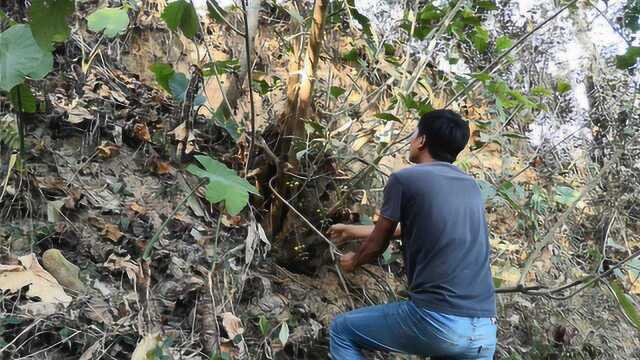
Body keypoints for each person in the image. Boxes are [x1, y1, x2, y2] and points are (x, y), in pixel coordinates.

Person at [328, 109, 497, 359]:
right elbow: (426, 227)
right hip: (484, 330)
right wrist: (355, 230)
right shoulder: (471, 186)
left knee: (341, 330)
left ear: (422, 140)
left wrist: (353, 261)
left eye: (414, 133)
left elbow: (378, 244)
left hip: (438, 321)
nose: (411, 139)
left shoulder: (405, 179)